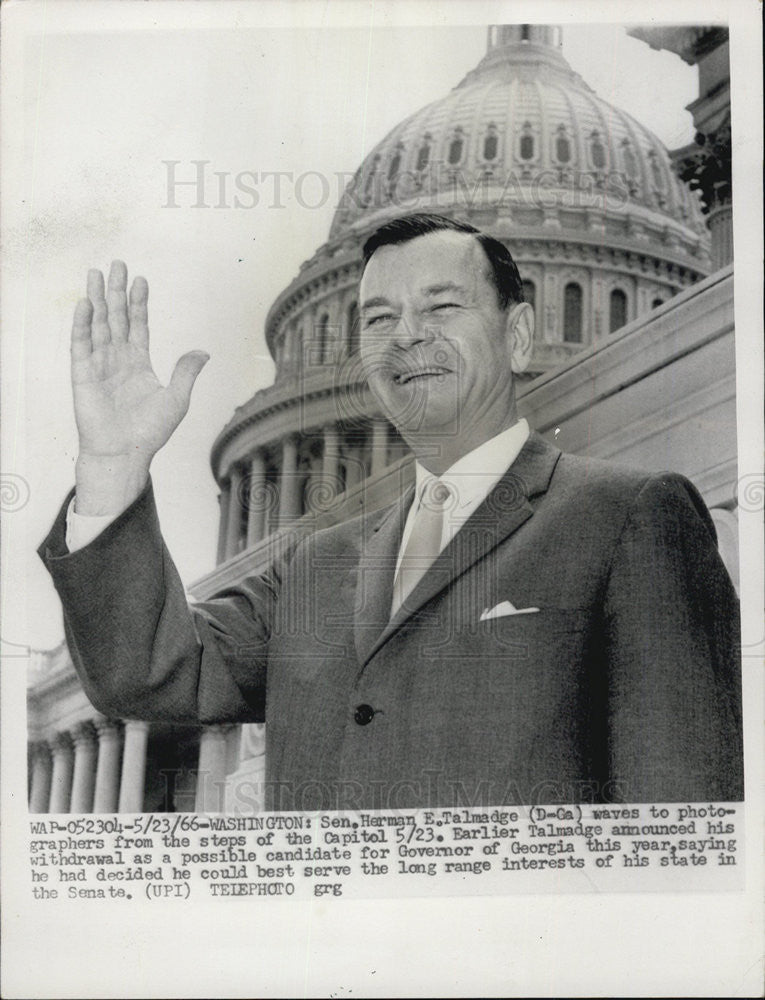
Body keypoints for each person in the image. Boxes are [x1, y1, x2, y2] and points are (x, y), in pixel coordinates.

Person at [39, 213, 743, 810]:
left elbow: (682, 814)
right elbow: (145, 674)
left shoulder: (629, 517)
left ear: (518, 334)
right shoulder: (315, 566)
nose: (407, 336)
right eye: (379, 318)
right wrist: (112, 467)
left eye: (441, 308)